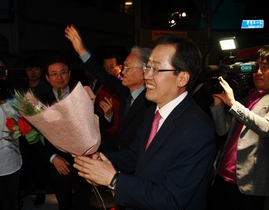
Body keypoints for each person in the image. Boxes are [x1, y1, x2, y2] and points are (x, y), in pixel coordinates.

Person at [72, 34, 216, 210]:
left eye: (156, 69)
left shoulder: (198, 130)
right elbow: (135, 156)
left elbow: (172, 199)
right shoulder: (153, 112)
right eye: (147, 67)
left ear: (182, 78)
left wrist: (114, 180)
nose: (146, 75)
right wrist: (99, 159)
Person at [65, 24, 153, 151]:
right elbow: (103, 76)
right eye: (124, 67)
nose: (123, 72)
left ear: (144, 71)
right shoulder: (126, 92)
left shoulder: (151, 101)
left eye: (128, 67)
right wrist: (81, 51)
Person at [207, 46, 269, 210]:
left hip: (248, 184)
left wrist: (234, 104)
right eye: (256, 66)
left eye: (265, 67)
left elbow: (265, 128)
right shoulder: (246, 98)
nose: (259, 72)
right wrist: (219, 104)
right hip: (223, 175)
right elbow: (222, 131)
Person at [42, 55, 93, 210]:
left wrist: (108, 116)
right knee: (64, 204)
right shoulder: (40, 102)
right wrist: (53, 157)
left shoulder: (83, 96)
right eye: (54, 73)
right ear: (47, 77)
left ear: (69, 74)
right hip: (58, 164)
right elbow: (36, 138)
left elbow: (96, 125)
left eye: (63, 72)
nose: (59, 77)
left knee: (83, 203)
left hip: (84, 161)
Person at [16, 55, 50, 208]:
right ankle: (22, 191)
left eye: (36, 69)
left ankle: (41, 191)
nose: (33, 72)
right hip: (23, 133)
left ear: (41, 70)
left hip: (40, 134)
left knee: (40, 165)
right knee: (23, 164)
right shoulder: (21, 86)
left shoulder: (46, 88)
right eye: (30, 69)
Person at [0, 58, 23, 210]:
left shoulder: (14, 98)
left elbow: (19, 126)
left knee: (9, 203)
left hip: (10, 162)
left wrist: (3, 101)